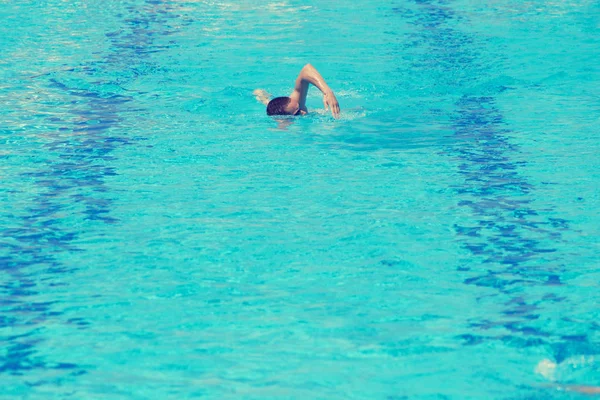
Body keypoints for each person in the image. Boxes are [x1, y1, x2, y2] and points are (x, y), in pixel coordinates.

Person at [254, 64, 340, 119]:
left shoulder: (295, 104)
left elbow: (306, 69)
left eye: (299, 107)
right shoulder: (283, 126)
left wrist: (328, 92)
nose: (303, 111)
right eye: (297, 112)